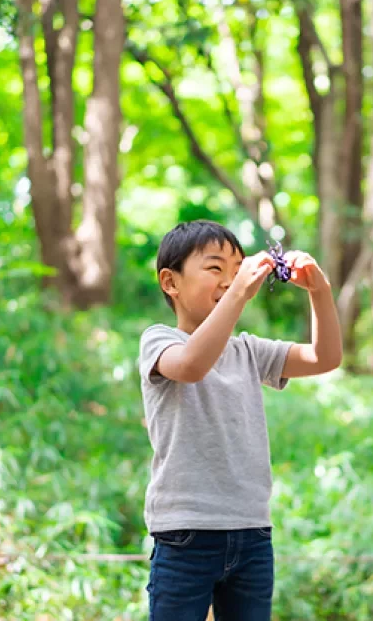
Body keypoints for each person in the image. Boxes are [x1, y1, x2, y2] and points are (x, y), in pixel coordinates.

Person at [139, 220, 342, 621]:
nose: (229, 280)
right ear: (170, 282)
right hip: (185, 534)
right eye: (215, 269)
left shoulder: (248, 350)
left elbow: (326, 357)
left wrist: (319, 291)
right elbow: (193, 365)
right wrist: (238, 293)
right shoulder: (159, 340)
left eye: (236, 271)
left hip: (251, 532)